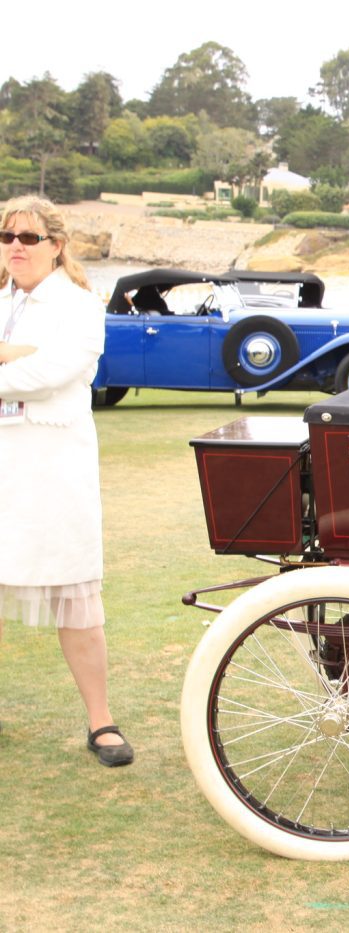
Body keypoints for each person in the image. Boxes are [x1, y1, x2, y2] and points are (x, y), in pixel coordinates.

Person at [0, 196, 133, 766]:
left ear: (56, 245)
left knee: (75, 596)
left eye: (28, 238)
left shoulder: (80, 304)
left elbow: (53, 372)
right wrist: (12, 354)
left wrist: (17, 360)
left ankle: (101, 722)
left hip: (52, 470)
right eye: (7, 236)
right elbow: (26, 367)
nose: (15, 247)